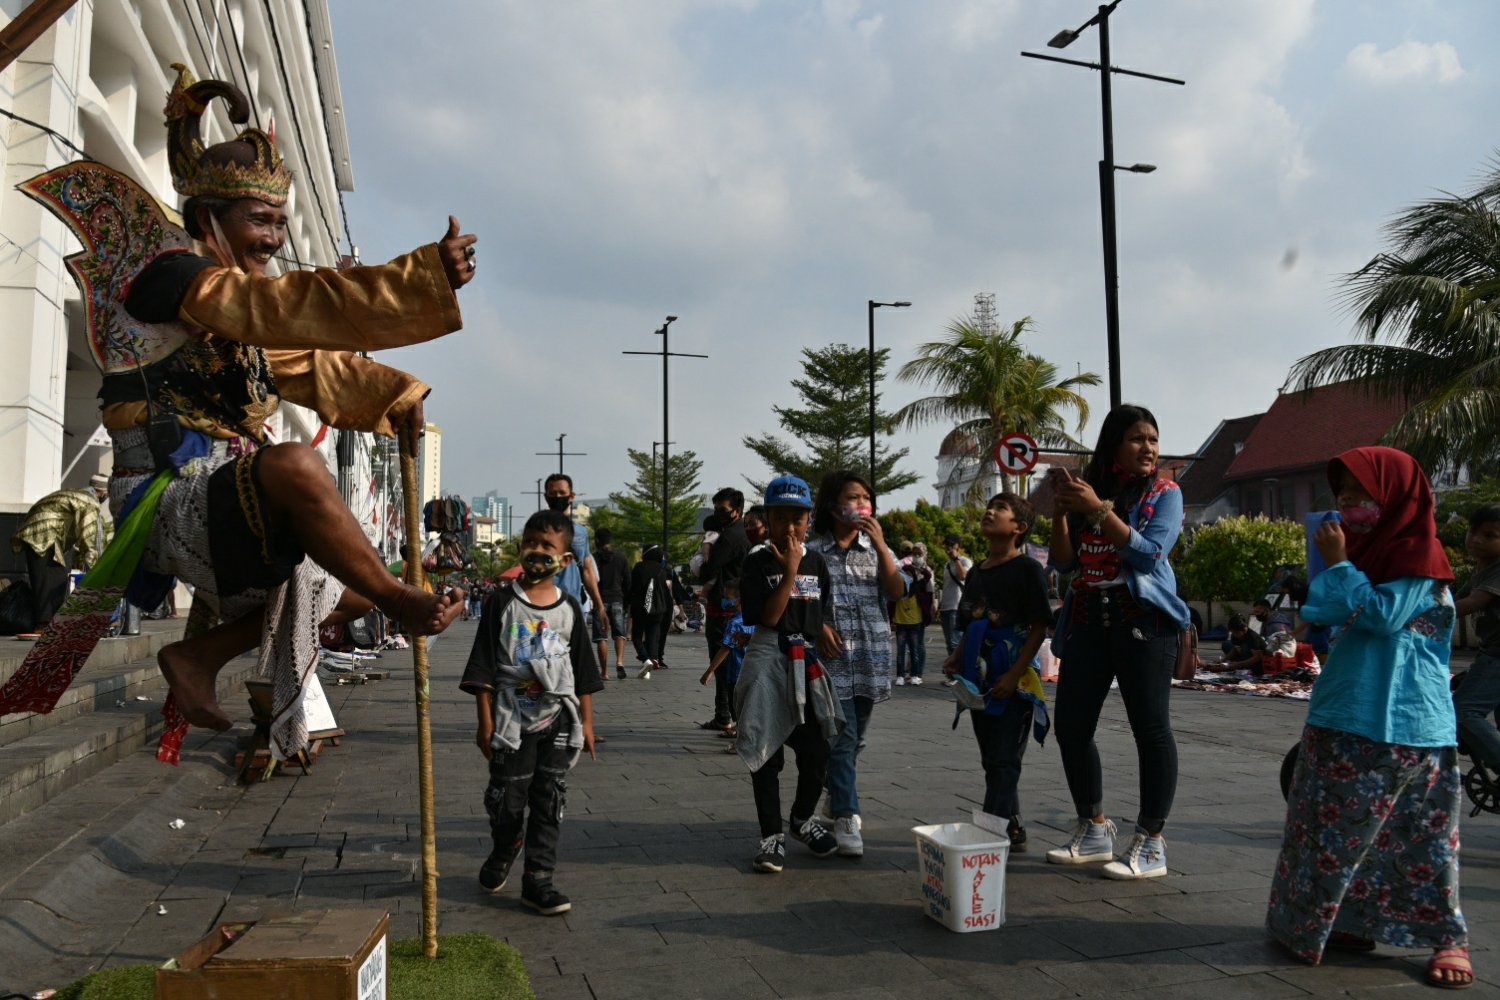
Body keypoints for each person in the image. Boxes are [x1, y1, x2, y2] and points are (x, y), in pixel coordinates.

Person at [0, 66, 470, 763]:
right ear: (206, 219)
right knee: (296, 465)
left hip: (225, 497)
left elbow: (307, 367)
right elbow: (278, 311)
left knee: (347, 587)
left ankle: (202, 658)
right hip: (161, 497)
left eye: (281, 224)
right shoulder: (171, 277)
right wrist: (417, 278)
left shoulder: (235, 306)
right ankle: (401, 602)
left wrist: (393, 397)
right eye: (261, 221)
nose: (275, 241)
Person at [1266, 447, 1470, 987]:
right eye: (1344, 496)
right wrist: (1337, 571)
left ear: (1397, 496)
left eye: (1364, 495)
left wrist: (1338, 567)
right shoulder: (1364, 558)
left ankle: (1446, 938)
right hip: (1343, 710)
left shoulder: (1419, 558)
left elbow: (1379, 616)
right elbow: (1322, 611)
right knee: (1328, 830)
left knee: (1418, 837)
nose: (1350, 506)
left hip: (1409, 723)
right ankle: (1344, 922)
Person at [1044, 404, 1191, 880]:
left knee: (1151, 729)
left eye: (1153, 438)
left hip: (1141, 621)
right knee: (1070, 726)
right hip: (1087, 617)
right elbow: (1065, 565)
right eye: (1137, 439)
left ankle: (1151, 842)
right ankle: (1093, 827)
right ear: (1113, 445)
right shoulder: (1092, 491)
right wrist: (1062, 511)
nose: (1148, 448)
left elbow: (1148, 556)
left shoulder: (1166, 493)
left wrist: (1096, 509)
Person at [460, 510, 601, 916]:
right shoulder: (501, 602)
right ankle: (506, 845)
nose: (538, 552)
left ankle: (538, 879)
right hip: (510, 719)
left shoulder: (570, 607)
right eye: (531, 543)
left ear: (567, 560)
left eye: (548, 547)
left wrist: (587, 723)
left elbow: (583, 671)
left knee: (549, 799)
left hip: (556, 718)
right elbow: (483, 664)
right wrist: (484, 722)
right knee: (506, 801)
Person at [734, 476, 843, 873]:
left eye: (798, 518)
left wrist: (824, 628)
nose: (790, 527)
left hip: (807, 660)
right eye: (781, 518)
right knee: (767, 755)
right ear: (768, 520)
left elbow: (818, 608)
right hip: (768, 658)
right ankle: (771, 836)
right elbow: (768, 617)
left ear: (809, 519)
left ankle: (800, 819)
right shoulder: (757, 561)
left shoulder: (817, 561)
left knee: (818, 750)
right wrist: (790, 570)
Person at [942, 492, 1053, 851]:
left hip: (1015, 676)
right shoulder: (978, 570)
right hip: (980, 675)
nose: (989, 511)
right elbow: (973, 619)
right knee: (993, 757)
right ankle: (1014, 825)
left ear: (1018, 528)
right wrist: (958, 655)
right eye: (990, 506)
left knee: (1005, 758)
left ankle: (987, 838)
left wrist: (1013, 675)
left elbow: (1038, 628)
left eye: (1000, 509)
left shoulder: (1027, 569)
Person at [805, 470, 904, 857]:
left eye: (866, 497)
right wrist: (820, 627)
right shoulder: (813, 553)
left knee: (856, 737)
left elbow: (897, 592)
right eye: (853, 497)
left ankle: (834, 793)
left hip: (871, 654)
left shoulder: (879, 550)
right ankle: (847, 816)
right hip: (831, 657)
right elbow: (804, 601)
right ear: (833, 506)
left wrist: (880, 547)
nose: (862, 504)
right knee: (842, 738)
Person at [11, 476, 108, 630]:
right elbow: (88, 535)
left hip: (35, 531)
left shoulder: (76, 493)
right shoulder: (89, 501)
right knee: (52, 580)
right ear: (103, 493)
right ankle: (45, 625)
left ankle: (47, 623)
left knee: (48, 578)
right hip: (45, 535)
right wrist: (94, 567)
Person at [1453, 505, 1500, 776]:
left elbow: (1471, 603)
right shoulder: (1482, 569)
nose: (1477, 539)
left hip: (1497, 655)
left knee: (1465, 711)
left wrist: (1419, 613)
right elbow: (1452, 599)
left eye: (1489, 535)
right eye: (1473, 532)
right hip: (1490, 652)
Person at [700, 488, 750, 731]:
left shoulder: (730, 536)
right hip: (734, 606)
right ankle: (724, 715)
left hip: (724, 608)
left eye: (723, 510)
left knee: (723, 665)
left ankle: (730, 717)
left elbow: (710, 568)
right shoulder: (741, 532)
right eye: (716, 509)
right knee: (728, 665)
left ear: (737, 511)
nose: (719, 514)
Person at [543, 475, 606, 624]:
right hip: (544, 605)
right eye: (553, 493)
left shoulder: (580, 532)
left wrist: (600, 606)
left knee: (574, 647)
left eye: (562, 493)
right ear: (546, 497)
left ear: (571, 496)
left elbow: (587, 570)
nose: (557, 497)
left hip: (572, 605)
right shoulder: (538, 529)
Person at [699, 585, 753, 752]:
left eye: (728, 598)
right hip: (751, 671)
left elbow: (725, 648)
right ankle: (741, 730)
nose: (725, 601)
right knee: (747, 705)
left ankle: (742, 739)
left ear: (739, 600)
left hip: (735, 671)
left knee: (736, 704)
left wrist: (709, 671)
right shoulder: (756, 619)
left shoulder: (734, 622)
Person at [591, 528, 630, 680]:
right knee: (619, 633)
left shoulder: (593, 558)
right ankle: (620, 662)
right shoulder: (621, 557)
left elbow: (589, 579)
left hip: (600, 600)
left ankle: (604, 672)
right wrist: (626, 601)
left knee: (601, 637)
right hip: (617, 599)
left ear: (597, 541)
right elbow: (628, 580)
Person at [892, 544, 934, 686]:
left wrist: (919, 569)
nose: (909, 577)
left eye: (918, 553)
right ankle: (900, 675)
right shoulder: (899, 590)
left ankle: (916, 674)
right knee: (900, 651)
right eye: (906, 575)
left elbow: (928, 576)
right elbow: (891, 603)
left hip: (916, 622)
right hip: (900, 622)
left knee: (915, 649)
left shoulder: (919, 587)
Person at [628, 546, 672, 679]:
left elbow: (632, 587)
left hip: (640, 608)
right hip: (657, 609)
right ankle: (651, 663)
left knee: (637, 636)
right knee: (652, 638)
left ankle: (645, 659)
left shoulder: (639, 567)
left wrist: (628, 604)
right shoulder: (662, 570)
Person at [938, 533, 972, 657]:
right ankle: (954, 672)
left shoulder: (965, 561)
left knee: (955, 642)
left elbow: (963, 576)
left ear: (958, 546)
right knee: (949, 643)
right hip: (946, 608)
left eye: (952, 545)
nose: (949, 547)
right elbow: (946, 587)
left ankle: (959, 672)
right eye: (947, 545)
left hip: (957, 607)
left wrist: (956, 559)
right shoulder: (946, 565)